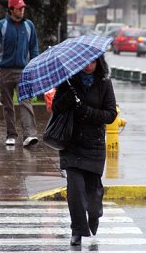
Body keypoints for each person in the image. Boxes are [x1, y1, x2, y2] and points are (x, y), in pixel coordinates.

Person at [51, 55, 117, 246]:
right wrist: (67, 100)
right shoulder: (68, 82)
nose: (88, 66)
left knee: (93, 195)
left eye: (93, 62)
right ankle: (77, 231)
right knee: (76, 192)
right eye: (84, 62)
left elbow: (111, 114)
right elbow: (55, 108)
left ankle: (94, 216)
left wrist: (86, 111)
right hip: (71, 144)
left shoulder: (105, 83)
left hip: (94, 146)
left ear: (99, 63)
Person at [0, 0, 39, 147]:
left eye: (23, 8)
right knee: (8, 104)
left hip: (24, 71)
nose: (22, 10)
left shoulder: (29, 26)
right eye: (19, 8)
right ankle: (11, 134)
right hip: (5, 71)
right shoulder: (1, 26)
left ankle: (29, 135)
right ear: (11, 9)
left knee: (26, 102)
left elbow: (34, 47)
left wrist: (34, 65)